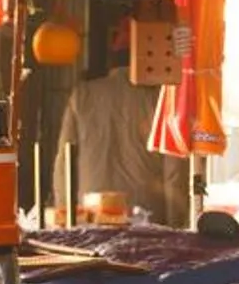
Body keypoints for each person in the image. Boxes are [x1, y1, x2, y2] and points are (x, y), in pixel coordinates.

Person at [56, 21, 185, 226]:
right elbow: (174, 169)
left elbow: (64, 162)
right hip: (146, 217)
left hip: (93, 213)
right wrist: (177, 223)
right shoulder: (160, 98)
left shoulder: (82, 95)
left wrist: (64, 217)